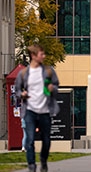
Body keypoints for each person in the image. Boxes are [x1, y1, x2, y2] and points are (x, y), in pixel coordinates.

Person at [15, 44, 60, 172]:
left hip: (45, 111)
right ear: (33, 56)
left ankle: (43, 161)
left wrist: (53, 89)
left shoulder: (49, 71)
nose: (44, 56)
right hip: (30, 110)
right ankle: (31, 165)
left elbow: (56, 87)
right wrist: (21, 94)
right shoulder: (23, 73)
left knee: (46, 140)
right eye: (41, 54)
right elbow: (17, 89)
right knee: (29, 139)